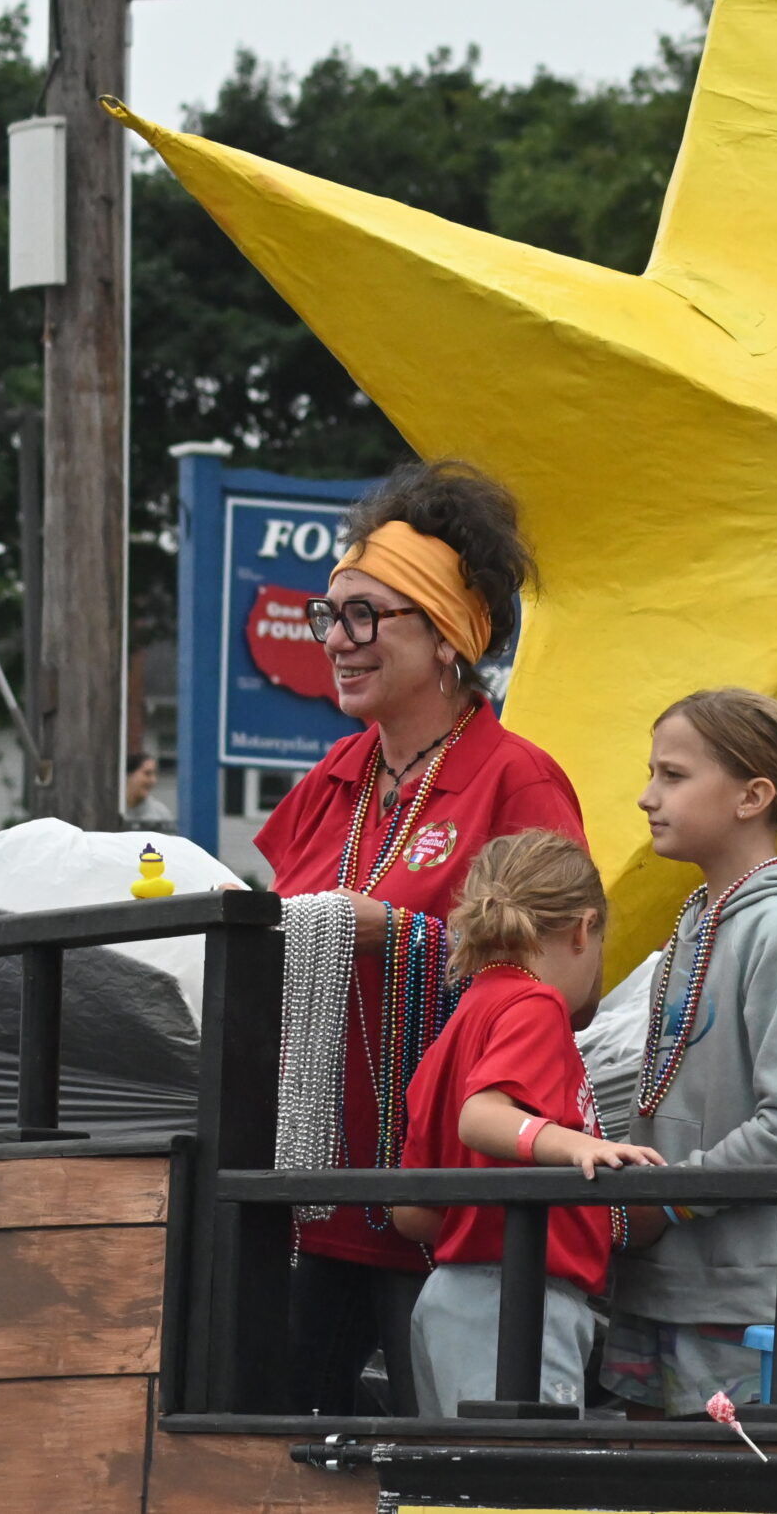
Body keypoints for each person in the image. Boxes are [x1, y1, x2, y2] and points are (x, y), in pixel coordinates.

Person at [254, 459, 587, 1417]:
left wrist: (391, 933)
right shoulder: (331, 777)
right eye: (329, 614)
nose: (339, 641)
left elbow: (562, 982)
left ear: (448, 638)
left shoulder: (515, 779)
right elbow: (271, 933)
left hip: (442, 1208)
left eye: (368, 615)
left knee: (451, 1471)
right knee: (268, 1455)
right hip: (312, 1202)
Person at [597, 688, 777, 1418]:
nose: (645, 796)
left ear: (753, 795)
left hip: (754, 1301)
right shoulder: (698, 919)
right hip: (665, 1286)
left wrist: (663, 1199)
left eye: (674, 775)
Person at [393, 830, 665, 1417]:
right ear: (582, 929)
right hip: (517, 1303)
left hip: (447, 1300)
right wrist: (583, 1147)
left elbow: (410, 1211)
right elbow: (482, 1116)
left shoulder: (467, 1014)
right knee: (526, 1489)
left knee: (461, 1497)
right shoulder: (536, 1006)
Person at [123, 750, 174, 828]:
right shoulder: (112, 812)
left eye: (154, 774)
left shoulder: (161, 814)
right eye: (147, 773)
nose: (153, 780)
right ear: (129, 775)